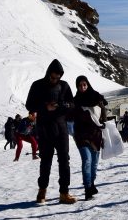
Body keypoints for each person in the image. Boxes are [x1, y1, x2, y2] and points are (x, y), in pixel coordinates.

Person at [26, 59, 76, 204]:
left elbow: (72, 104)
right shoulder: (37, 85)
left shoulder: (64, 86)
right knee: (46, 160)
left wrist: (61, 105)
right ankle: (42, 192)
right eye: (52, 77)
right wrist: (44, 107)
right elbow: (29, 104)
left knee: (64, 160)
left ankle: (64, 193)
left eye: (57, 77)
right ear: (48, 73)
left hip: (61, 127)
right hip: (44, 128)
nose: (55, 80)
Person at [72, 75, 106, 200]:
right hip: (81, 135)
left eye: (84, 84)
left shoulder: (96, 97)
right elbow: (71, 117)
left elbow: (103, 118)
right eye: (80, 85)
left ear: (88, 84)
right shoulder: (75, 101)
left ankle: (91, 184)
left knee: (95, 163)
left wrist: (102, 109)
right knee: (87, 160)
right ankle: (87, 188)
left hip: (95, 134)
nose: (82, 87)